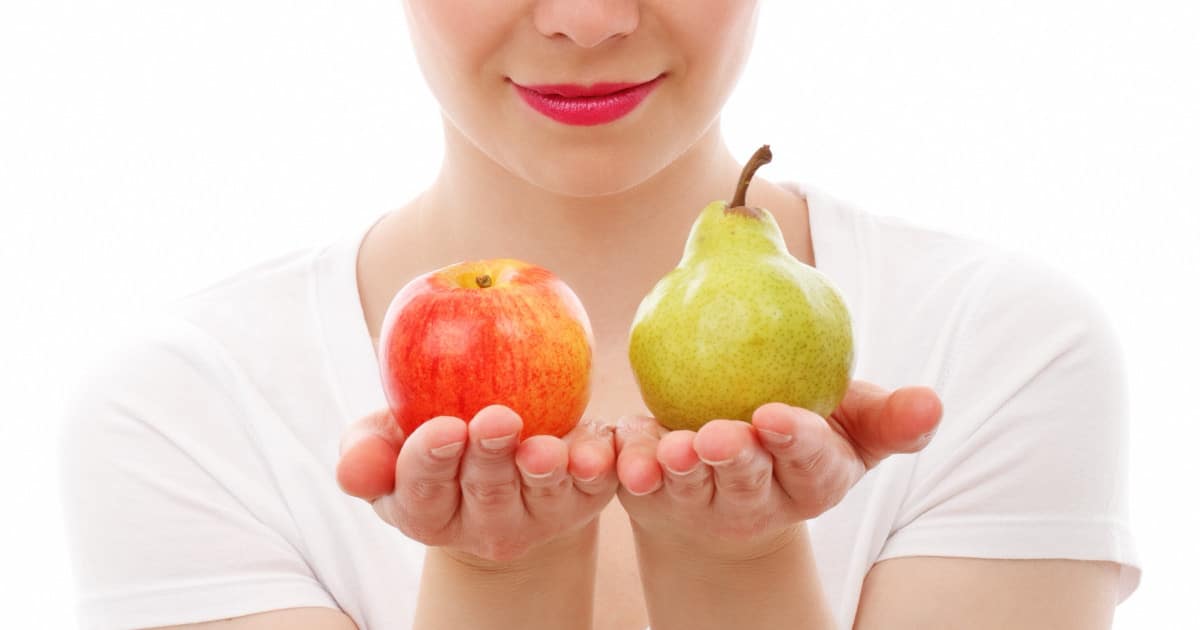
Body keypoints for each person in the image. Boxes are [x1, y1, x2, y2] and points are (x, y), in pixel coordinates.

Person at [57, 2, 1140, 629]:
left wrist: (737, 563)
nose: (590, 18)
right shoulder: (181, 417)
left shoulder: (1000, 353)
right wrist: (499, 576)